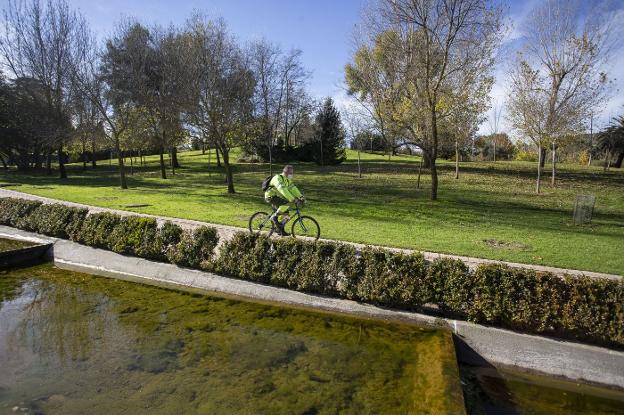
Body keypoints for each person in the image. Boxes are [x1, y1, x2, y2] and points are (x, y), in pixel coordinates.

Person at [264, 165, 305, 235]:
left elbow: (293, 188)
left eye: (292, 173)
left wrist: (300, 196)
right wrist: (292, 199)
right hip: (270, 196)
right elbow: (282, 189)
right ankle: (274, 217)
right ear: (285, 172)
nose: (291, 175)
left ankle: (280, 230)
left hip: (278, 197)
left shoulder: (287, 180)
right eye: (290, 173)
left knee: (287, 215)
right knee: (286, 203)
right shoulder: (277, 178)